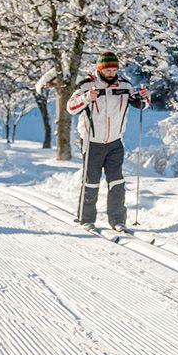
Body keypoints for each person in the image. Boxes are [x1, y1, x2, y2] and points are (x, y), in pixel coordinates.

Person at [66, 50, 149, 233]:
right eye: (108, 70)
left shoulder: (125, 86)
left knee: (117, 181)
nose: (111, 73)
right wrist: (87, 97)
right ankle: (86, 219)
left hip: (115, 141)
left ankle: (118, 220)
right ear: (100, 69)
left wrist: (145, 96)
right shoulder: (87, 85)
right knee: (91, 181)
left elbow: (140, 104)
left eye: (114, 69)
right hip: (92, 141)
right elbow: (70, 107)